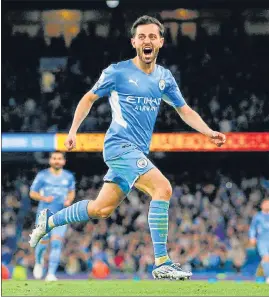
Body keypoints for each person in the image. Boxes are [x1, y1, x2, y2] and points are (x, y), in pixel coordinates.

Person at [29, 15, 226, 280]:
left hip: (135, 152)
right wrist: (73, 131)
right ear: (134, 42)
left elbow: (184, 109)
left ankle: (48, 221)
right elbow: (88, 98)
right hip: (118, 146)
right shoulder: (117, 72)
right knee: (163, 187)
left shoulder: (164, 78)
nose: (147, 40)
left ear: (161, 42)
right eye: (142, 36)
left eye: (152, 36)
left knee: (101, 209)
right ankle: (161, 262)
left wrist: (208, 131)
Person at [30, 152, 75, 281]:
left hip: (61, 215)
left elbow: (71, 192)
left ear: (63, 161)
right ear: (50, 160)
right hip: (44, 215)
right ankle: (39, 263)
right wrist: (44, 198)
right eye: (54, 158)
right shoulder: (42, 176)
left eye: (59, 159)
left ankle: (51, 274)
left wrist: (69, 200)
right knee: (43, 243)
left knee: (56, 243)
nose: (57, 161)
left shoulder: (68, 176)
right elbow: (32, 193)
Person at [249, 199, 269, 284]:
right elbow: (253, 227)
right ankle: (268, 277)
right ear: (262, 206)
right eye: (266, 204)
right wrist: (252, 237)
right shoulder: (258, 216)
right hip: (262, 241)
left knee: (266, 259)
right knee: (266, 257)